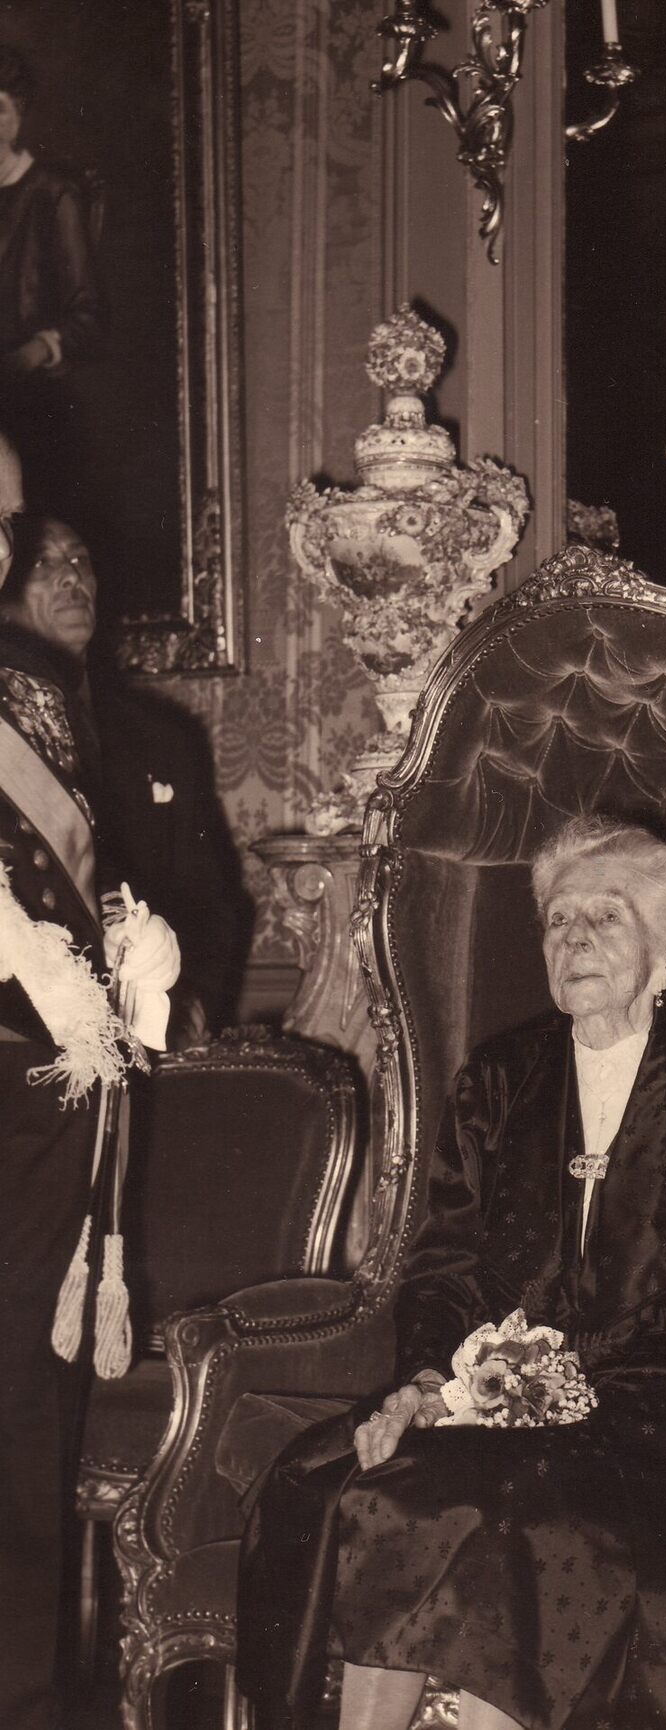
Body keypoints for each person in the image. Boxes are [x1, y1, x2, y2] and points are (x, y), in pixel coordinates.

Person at [237, 814, 666, 1730]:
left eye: (607, 917)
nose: (575, 939)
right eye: (559, 920)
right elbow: (446, 1262)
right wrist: (424, 1380)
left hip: (663, 1417)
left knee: (503, 1517)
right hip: (491, 1397)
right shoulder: (500, 1078)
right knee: (355, 1481)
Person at [0, 440, 178, 1727]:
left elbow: (72, 862)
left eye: (8, 518)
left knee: (24, 1389)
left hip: (39, 1088)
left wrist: (132, 940)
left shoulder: (30, 687)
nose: (1, 546)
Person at [0, 513, 250, 1036]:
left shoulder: (161, 737)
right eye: (42, 562)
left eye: (80, 559)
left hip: (155, 1028)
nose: (71, 577)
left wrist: (191, 1004)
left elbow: (211, 900)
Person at [0, 45, 103, 526]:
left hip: (30, 395)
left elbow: (88, 314)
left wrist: (33, 353)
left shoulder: (52, 192)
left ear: (16, 117)